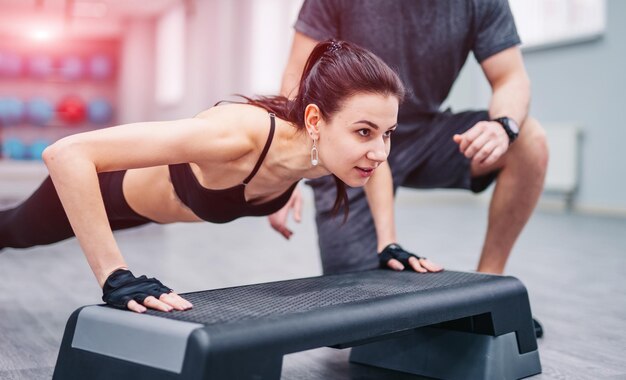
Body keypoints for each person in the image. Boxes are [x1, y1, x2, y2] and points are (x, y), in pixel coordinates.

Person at [0, 40, 408, 313]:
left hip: (149, 212)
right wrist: (115, 277)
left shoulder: (328, 148)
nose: (379, 151)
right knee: (12, 233)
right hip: (102, 190)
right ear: (316, 120)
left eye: (387, 133)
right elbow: (66, 153)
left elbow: (377, 166)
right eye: (364, 132)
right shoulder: (235, 134)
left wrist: (387, 244)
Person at [271, 0, 549, 277]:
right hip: (351, 145)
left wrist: (502, 126)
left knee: (527, 140)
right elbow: (298, 77)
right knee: (357, 293)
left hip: (426, 137)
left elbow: (510, 76)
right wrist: (287, 171)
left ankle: (491, 280)